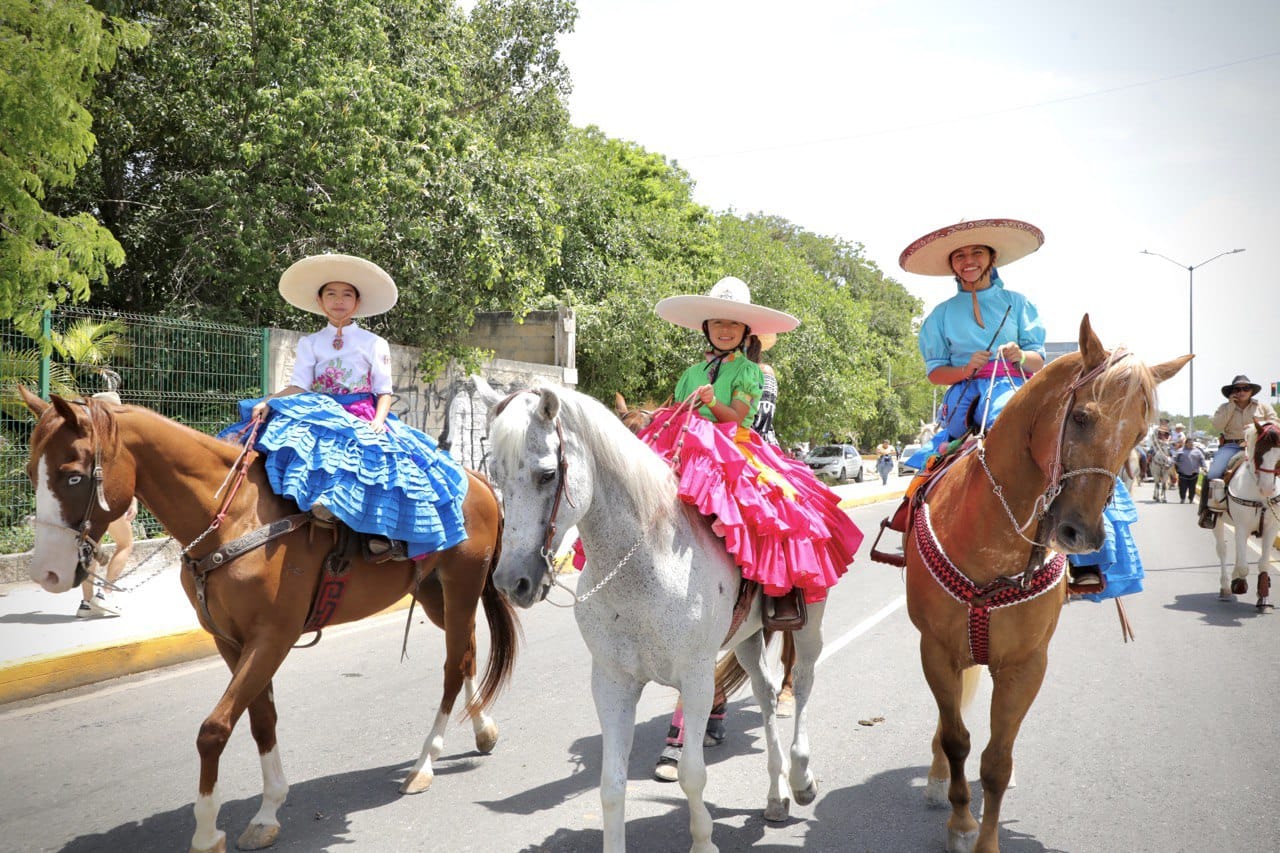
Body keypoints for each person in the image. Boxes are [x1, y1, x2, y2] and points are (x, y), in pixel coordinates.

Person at [643, 275, 863, 779]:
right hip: (685, 441)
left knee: (776, 510)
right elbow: (678, 408)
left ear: (744, 331)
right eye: (716, 322)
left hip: (734, 446)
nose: (723, 329)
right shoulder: (690, 370)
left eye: (732, 323)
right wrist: (680, 408)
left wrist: (708, 404)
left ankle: (778, 594)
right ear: (707, 327)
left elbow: (737, 419)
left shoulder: (751, 372)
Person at [898, 218, 1139, 595]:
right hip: (964, 396)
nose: (968, 260)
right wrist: (964, 368)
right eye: (959, 255)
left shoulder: (1019, 304)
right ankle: (910, 536)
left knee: (1065, 452)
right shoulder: (940, 315)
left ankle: (1085, 557)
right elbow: (934, 374)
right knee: (931, 466)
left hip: (1015, 389)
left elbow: (1037, 361)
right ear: (952, 265)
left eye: (976, 252)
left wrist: (1019, 354)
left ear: (992, 257)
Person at [220, 253, 469, 560]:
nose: (339, 301)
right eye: (331, 294)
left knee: (381, 465)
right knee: (289, 442)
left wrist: (378, 421)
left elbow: (384, 390)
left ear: (357, 303)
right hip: (320, 407)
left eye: (347, 295)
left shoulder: (373, 342)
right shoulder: (310, 343)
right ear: (321, 301)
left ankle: (382, 536)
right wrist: (268, 402)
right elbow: (300, 385)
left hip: (362, 411)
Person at [78, 388, 138, 617]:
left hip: (85, 501)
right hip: (108, 499)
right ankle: (105, 594)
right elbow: (123, 472)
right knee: (125, 544)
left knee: (91, 549)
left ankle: (86, 603)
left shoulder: (83, 436)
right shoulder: (114, 436)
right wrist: (131, 498)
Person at [1198, 375, 1279, 528]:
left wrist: (1255, 429)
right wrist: (1230, 406)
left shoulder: (1263, 407)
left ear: (1251, 391)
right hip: (1231, 446)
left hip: (1258, 446)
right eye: (1237, 389)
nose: (1242, 391)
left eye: (1245, 388)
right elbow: (1217, 425)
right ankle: (1207, 511)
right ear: (1232, 391)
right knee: (1213, 473)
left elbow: (1275, 423)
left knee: (1275, 468)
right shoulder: (1224, 407)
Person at [1173, 437, 1206, 504]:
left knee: (1192, 488)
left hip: (1194, 473)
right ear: (1186, 443)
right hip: (1183, 473)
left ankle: (1191, 499)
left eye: (1192, 443)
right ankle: (1182, 498)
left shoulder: (1197, 451)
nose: (1191, 444)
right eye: (1189, 443)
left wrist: (1204, 466)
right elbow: (1174, 459)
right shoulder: (1180, 451)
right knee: (1182, 487)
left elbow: (1202, 459)